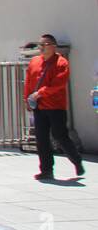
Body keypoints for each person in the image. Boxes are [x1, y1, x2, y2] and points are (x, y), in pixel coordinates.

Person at [25, 34, 85, 182]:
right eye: (39, 45)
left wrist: (40, 93)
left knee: (60, 135)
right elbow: (28, 82)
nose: (41, 48)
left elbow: (58, 85)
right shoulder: (34, 62)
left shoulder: (61, 63)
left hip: (55, 107)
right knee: (42, 139)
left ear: (53, 46)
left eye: (44, 45)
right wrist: (27, 99)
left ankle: (76, 160)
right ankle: (46, 170)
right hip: (39, 107)